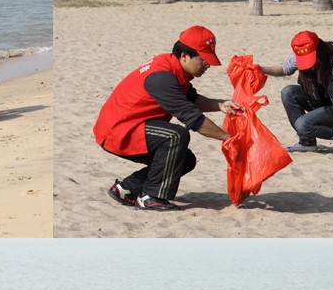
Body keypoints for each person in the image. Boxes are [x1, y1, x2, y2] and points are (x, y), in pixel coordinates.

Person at [94, 25, 243, 211]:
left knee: (185, 159)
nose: (208, 65)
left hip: (127, 127)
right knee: (176, 136)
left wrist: (220, 105)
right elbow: (194, 120)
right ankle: (151, 197)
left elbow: (192, 99)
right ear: (184, 56)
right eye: (203, 59)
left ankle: (127, 189)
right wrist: (228, 138)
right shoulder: (162, 77)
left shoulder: (172, 66)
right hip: (118, 132)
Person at [258, 31, 333, 160]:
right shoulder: (304, 52)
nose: (307, 63)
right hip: (324, 101)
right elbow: (284, 68)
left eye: (309, 58)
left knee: (303, 124)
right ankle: (307, 143)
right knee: (288, 92)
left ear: (319, 49)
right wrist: (260, 69)